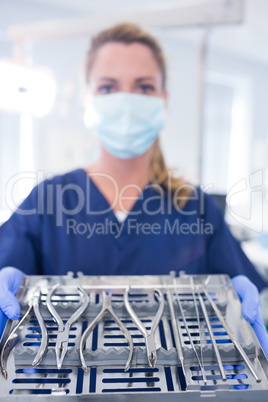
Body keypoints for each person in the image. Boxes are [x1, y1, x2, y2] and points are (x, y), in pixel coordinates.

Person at [0, 22, 267, 357]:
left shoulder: (195, 207)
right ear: (87, 98)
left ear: (164, 99)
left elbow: (238, 299)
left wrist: (237, 303)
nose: (126, 101)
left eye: (143, 87)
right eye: (108, 87)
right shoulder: (47, 201)